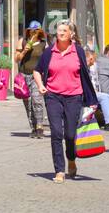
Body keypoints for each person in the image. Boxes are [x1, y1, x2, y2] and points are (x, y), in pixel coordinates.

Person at [34, 20, 99, 182]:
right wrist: (41, 85)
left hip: (74, 97)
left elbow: (85, 75)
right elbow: (37, 70)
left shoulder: (78, 51)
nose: (61, 33)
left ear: (71, 34)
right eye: (59, 30)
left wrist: (90, 98)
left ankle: (71, 159)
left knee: (70, 134)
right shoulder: (49, 52)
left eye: (64, 30)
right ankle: (59, 170)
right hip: (53, 96)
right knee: (56, 133)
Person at [15, 23, 47, 138]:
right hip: (24, 76)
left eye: (36, 30)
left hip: (37, 76)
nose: (33, 32)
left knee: (36, 100)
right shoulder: (23, 41)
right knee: (27, 103)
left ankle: (39, 127)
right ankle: (33, 127)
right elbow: (16, 59)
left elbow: (48, 59)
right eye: (31, 30)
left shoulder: (44, 44)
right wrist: (24, 51)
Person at [86, 49, 109, 133]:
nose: (94, 63)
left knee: (105, 96)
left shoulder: (88, 68)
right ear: (90, 58)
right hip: (83, 94)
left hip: (89, 93)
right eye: (94, 60)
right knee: (104, 97)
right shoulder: (83, 68)